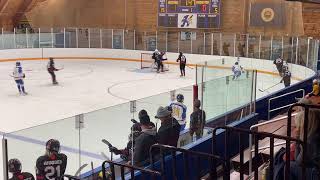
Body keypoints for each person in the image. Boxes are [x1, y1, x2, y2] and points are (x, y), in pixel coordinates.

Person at [288, 102, 320, 179]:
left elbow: (299, 162)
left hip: (317, 174)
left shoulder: (311, 140)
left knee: (288, 166)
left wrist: (298, 139)